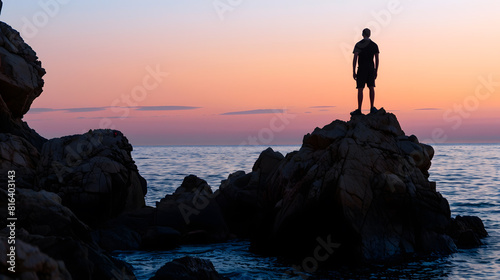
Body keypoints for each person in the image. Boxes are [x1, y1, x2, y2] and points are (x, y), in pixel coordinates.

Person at [351, 28, 379, 115]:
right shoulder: (374, 45)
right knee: (371, 87)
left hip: (361, 68)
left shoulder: (359, 44)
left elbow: (355, 58)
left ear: (363, 34)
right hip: (370, 68)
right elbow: (377, 59)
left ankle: (359, 109)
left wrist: (353, 71)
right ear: (369, 34)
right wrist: (376, 70)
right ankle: (372, 107)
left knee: (360, 89)